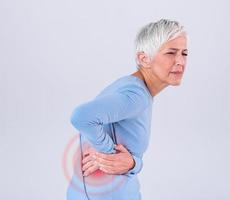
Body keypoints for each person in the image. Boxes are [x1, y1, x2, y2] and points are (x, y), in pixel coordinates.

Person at [67, 18, 188, 200]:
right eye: (171, 53)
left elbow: (127, 159)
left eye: (184, 53)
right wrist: (110, 154)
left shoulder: (133, 88)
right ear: (143, 58)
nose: (180, 61)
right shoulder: (136, 95)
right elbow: (81, 116)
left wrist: (133, 163)